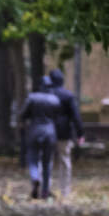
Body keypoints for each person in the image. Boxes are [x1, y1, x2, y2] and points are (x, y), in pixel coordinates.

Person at [20, 76, 61, 199]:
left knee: (32, 158)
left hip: (34, 131)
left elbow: (23, 114)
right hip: (50, 132)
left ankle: (35, 177)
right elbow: (58, 117)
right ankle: (44, 191)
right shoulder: (55, 100)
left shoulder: (32, 98)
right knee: (47, 162)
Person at [46, 68, 85, 198]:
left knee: (47, 161)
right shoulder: (68, 96)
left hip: (48, 131)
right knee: (65, 161)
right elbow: (75, 116)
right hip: (64, 132)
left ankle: (46, 189)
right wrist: (80, 134)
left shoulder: (46, 95)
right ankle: (65, 191)